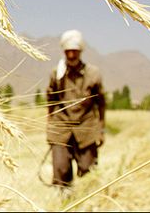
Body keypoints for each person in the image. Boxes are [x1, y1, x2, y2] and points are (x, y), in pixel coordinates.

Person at [46, 30, 106, 188]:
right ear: (64, 52)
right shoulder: (56, 74)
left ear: (80, 52)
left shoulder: (93, 74)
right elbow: (50, 100)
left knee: (89, 171)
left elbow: (101, 102)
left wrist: (101, 130)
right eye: (68, 52)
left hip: (86, 128)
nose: (71, 55)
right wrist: (50, 127)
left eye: (74, 52)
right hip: (60, 128)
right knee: (61, 171)